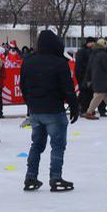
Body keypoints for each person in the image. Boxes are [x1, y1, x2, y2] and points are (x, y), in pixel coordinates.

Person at [19, 29, 79, 190]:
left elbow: (22, 86)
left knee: (36, 145)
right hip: (54, 110)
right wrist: (74, 107)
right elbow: (68, 88)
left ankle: (30, 177)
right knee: (58, 145)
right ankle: (56, 177)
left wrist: (31, 104)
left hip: (35, 110)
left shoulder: (28, 61)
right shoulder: (59, 63)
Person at [84, 34, 107, 119]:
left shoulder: (93, 54)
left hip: (96, 77)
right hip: (103, 78)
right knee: (99, 95)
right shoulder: (104, 55)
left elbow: (90, 67)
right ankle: (89, 112)